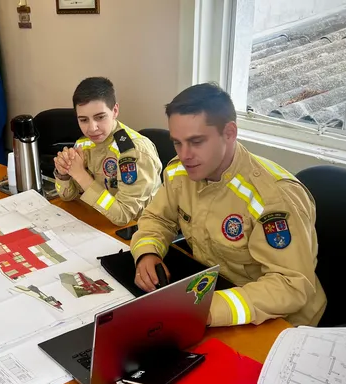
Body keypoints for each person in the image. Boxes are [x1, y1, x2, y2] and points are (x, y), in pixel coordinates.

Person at [129, 82, 327, 328]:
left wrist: (208, 310)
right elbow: (158, 219)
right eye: (178, 142)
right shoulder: (181, 173)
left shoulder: (273, 197)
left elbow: (290, 286)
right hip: (216, 295)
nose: (184, 154)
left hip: (281, 322)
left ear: (230, 133)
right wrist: (147, 253)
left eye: (196, 141)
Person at [54, 77, 163, 226]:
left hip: (138, 231)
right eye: (83, 120)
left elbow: (123, 216)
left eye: (100, 117)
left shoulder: (134, 152)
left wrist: (80, 175)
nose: (92, 128)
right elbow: (67, 196)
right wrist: (64, 175)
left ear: (115, 111)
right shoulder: (84, 143)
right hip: (98, 220)